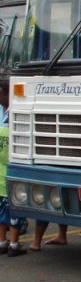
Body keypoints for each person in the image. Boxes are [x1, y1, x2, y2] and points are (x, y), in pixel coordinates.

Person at [0, 79, 27, 257]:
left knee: (2, 212)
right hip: (12, 173)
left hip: (1, 175)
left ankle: (2, 242)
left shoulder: (7, 119)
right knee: (15, 211)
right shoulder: (16, 118)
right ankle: (14, 245)